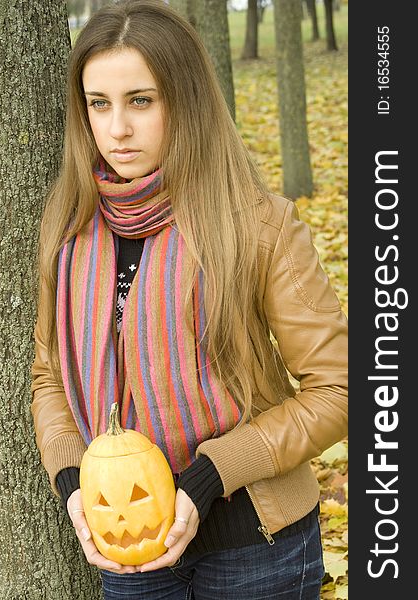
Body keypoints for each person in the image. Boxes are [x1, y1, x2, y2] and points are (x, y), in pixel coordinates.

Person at [30, 0, 348, 598]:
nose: (117, 129)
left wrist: (209, 477)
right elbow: (49, 375)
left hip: (256, 547)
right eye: (99, 104)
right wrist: (76, 478)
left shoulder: (258, 226)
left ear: (187, 102)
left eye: (141, 101)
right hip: (126, 548)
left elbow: (338, 388)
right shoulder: (71, 229)